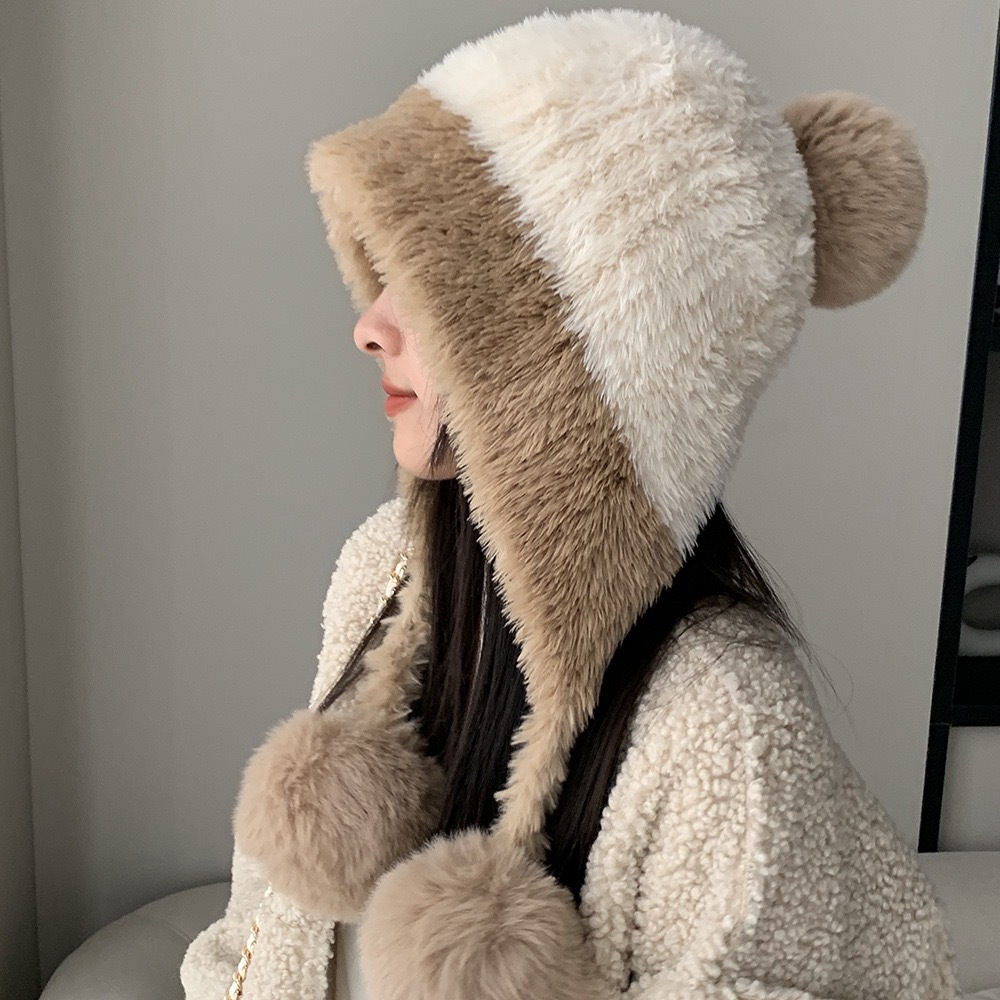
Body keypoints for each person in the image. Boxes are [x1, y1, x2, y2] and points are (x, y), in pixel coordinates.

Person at [181, 9, 959, 1000]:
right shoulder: (387, 567)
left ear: (574, 365)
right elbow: (252, 944)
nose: (369, 326)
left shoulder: (724, 722)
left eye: (433, 280)